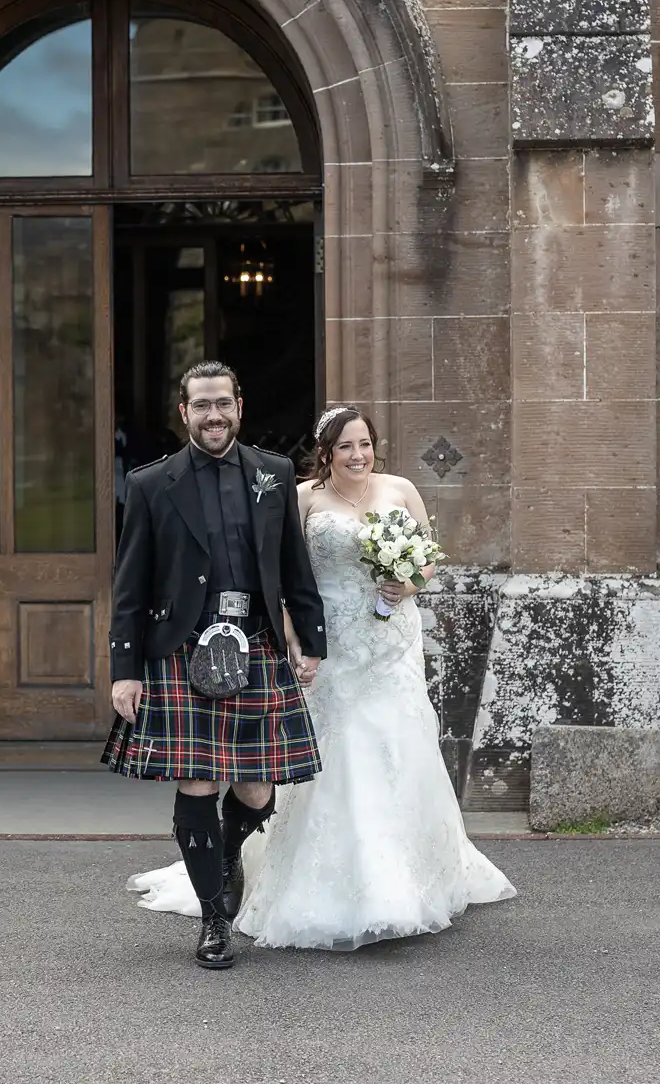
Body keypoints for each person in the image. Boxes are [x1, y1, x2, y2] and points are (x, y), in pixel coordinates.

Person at [127, 404, 516, 951]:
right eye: (344, 447)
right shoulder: (304, 496)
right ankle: (282, 872)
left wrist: (409, 582)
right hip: (329, 641)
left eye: (364, 444)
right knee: (338, 753)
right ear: (326, 453)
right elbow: (282, 569)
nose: (358, 455)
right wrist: (292, 633)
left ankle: (401, 880)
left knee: (399, 748)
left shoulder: (401, 489)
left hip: (393, 641)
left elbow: (428, 557)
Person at [102, 361, 328, 970]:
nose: (212, 415)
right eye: (201, 405)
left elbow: (293, 566)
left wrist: (311, 641)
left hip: (255, 647)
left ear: (239, 406)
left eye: (222, 403)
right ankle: (213, 917)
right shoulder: (152, 484)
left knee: (257, 789)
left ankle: (225, 859)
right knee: (198, 781)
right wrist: (125, 667)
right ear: (184, 412)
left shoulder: (274, 475)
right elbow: (130, 585)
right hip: (182, 649)